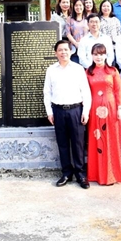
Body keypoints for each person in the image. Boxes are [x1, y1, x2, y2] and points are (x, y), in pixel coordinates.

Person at [43, 40, 91, 189]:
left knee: (78, 144)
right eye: (60, 50)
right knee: (62, 144)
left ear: (71, 52)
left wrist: (86, 111)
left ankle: (80, 174)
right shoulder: (51, 70)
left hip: (76, 110)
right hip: (58, 111)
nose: (63, 52)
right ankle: (66, 173)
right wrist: (49, 112)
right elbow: (47, 92)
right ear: (55, 53)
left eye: (66, 49)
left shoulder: (78, 69)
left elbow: (86, 91)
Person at [85, 43, 121, 185]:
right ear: (92, 55)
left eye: (101, 54)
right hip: (94, 109)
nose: (98, 57)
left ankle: (112, 174)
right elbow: (85, 92)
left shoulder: (113, 71)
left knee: (111, 139)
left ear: (106, 55)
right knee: (97, 138)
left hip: (111, 108)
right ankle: (97, 174)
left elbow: (118, 90)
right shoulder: (88, 72)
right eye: (95, 54)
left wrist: (120, 108)